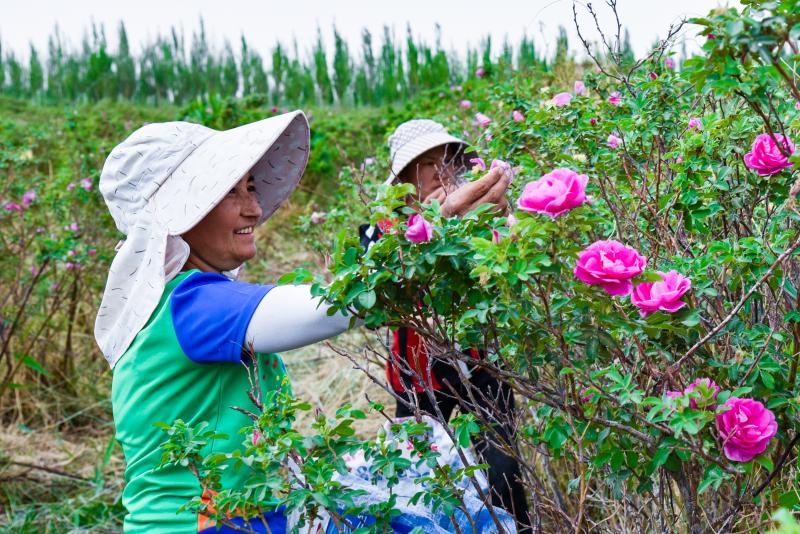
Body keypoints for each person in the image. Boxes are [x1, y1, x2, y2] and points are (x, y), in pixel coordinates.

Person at [97, 112, 368, 533]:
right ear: (182, 214)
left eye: (251, 188)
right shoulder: (192, 304)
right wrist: (423, 239)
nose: (255, 209)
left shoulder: (170, 300)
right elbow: (329, 309)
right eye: (230, 193)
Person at [360, 119, 531, 532]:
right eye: (428, 163)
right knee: (418, 476)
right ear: (403, 178)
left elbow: (509, 275)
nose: (442, 171)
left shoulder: (476, 221)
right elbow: (375, 303)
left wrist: (500, 222)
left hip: (482, 369)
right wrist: (434, 225)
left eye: (448, 161)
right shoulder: (377, 234)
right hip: (416, 377)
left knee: (504, 473)